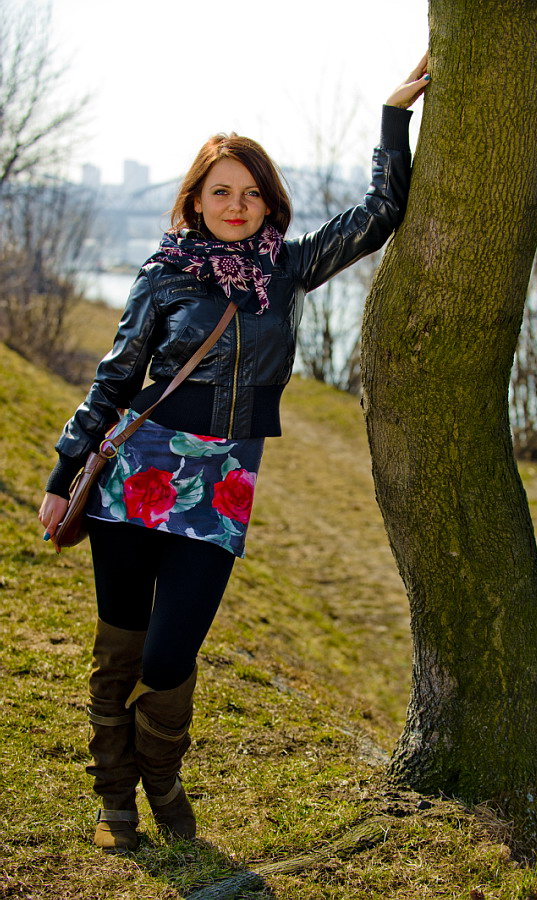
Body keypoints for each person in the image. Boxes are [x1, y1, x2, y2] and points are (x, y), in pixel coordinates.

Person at [38, 54, 430, 854]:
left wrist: (393, 116)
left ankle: (160, 776)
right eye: (220, 191)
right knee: (119, 647)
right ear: (195, 199)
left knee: (170, 654)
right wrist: (63, 473)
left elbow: (381, 211)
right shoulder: (164, 275)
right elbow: (115, 377)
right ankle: (114, 797)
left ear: (269, 203)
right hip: (135, 474)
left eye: (251, 192)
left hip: (220, 483)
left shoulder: (288, 268)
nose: (236, 205)